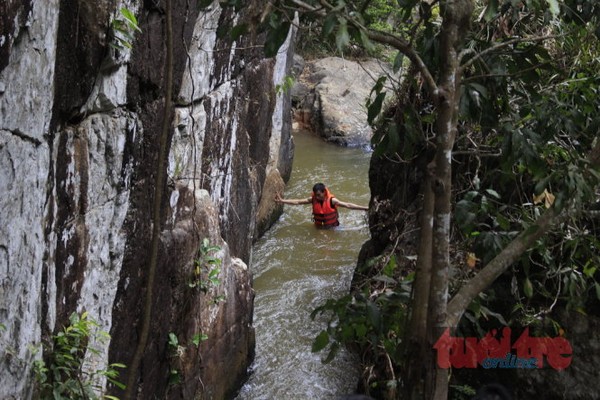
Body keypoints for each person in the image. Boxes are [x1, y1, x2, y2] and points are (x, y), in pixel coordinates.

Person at [275, 183, 368, 228]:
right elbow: (298, 202)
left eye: (319, 195)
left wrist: (365, 208)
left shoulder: (332, 200)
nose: (317, 197)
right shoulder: (313, 199)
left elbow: (348, 205)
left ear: (324, 192)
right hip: (319, 227)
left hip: (333, 227)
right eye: (315, 195)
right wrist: (282, 201)